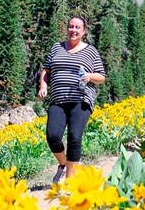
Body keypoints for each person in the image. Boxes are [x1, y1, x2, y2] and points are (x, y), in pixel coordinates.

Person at [38, 16, 106, 183]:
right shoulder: (57, 48)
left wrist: (89, 76)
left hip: (81, 100)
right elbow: (46, 70)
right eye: (71, 27)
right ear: (67, 28)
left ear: (83, 31)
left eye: (77, 28)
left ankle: (69, 181)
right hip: (58, 99)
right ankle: (62, 165)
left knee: (75, 137)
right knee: (53, 136)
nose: (73, 30)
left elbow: (101, 77)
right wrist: (43, 86)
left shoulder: (91, 51)